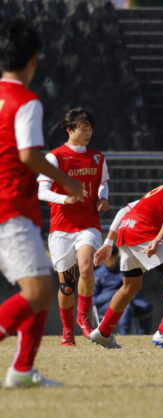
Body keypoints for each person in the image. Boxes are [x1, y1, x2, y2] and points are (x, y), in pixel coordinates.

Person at [0, 18, 83, 388]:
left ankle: (22, 370)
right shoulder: (26, 100)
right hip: (10, 208)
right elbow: (29, 154)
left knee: (40, 290)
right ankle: (21, 370)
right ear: (34, 60)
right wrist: (67, 180)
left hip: (13, 209)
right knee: (37, 291)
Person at [91, 157, 163, 349]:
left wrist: (108, 242)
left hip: (126, 230)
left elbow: (124, 210)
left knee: (130, 287)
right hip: (145, 232)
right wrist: (157, 239)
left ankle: (103, 331)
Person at [37, 107, 109, 346]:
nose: (88, 133)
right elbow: (42, 191)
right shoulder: (55, 157)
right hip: (61, 228)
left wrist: (103, 198)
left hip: (88, 224)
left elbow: (103, 184)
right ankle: (67, 331)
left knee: (86, 268)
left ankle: (83, 319)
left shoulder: (97, 158)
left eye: (90, 129)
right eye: (84, 129)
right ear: (70, 130)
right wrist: (65, 199)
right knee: (67, 286)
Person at [94, 246, 153, 335]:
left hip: (131, 300)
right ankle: (124, 335)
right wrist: (115, 295)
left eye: (115, 256)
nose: (113, 260)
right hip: (106, 305)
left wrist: (130, 295)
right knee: (125, 306)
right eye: (110, 257)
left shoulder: (125, 269)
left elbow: (137, 289)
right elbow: (94, 299)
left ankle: (144, 335)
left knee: (146, 306)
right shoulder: (97, 275)